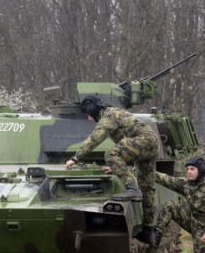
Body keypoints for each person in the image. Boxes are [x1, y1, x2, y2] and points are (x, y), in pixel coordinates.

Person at [65, 95, 160, 243]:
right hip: (150, 143)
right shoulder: (116, 113)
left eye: (88, 115)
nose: (89, 119)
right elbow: (129, 145)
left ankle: (132, 190)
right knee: (147, 188)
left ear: (94, 111)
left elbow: (95, 138)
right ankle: (149, 230)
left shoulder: (109, 116)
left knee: (110, 154)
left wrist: (76, 157)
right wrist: (117, 167)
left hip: (143, 141)